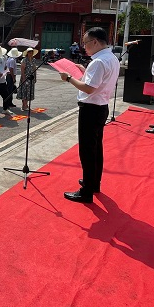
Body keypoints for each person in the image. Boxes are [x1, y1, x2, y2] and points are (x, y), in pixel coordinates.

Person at [57, 27, 120, 202]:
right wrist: (84, 71)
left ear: (95, 42)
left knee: (87, 150)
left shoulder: (99, 62)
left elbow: (90, 88)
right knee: (96, 148)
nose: (84, 47)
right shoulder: (111, 58)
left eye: (86, 43)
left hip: (91, 108)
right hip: (101, 106)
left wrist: (69, 78)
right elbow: (98, 81)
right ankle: (93, 182)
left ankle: (86, 190)